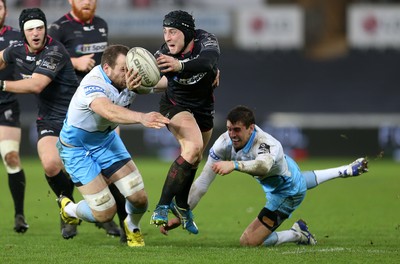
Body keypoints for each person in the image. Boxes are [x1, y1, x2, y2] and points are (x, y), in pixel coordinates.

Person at [162, 105, 369, 246]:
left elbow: (262, 167)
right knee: (296, 179)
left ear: (251, 128)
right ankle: (345, 170)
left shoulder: (267, 144)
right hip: (288, 172)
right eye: (228, 129)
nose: (231, 134)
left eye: (237, 130)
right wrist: (181, 215)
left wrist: (234, 164)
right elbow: (203, 182)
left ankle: (298, 234)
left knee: (249, 242)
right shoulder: (224, 143)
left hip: (285, 194)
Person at [56, 44, 170, 247]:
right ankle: (69, 210)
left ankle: (132, 227)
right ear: (107, 69)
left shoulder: (130, 78)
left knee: (139, 198)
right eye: (123, 70)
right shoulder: (93, 83)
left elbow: (163, 83)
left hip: (105, 140)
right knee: (104, 213)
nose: (129, 75)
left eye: (130, 69)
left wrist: (199, 79)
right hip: (76, 148)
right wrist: (142, 117)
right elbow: (107, 111)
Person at [0, 7, 81, 239]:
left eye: (40, 28)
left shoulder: (55, 50)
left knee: (104, 177)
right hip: (48, 118)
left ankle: (125, 222)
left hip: (76, 119)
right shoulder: (15, 49)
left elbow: (36, 85)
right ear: (23, 33)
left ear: (45, 29)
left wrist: (2, 85)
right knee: (50, 165)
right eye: (30, 29)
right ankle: (67, 208)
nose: (36, 33)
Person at [48, 0, 122, 238]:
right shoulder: (58, 28)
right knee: (71, 165)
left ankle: (112, 220)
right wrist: (75, 62)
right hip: (73, 107)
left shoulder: (101, 24)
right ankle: (69, 215)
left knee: (110, 163)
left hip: (103, 107)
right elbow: (46, 60)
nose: (88, 1)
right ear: (71, 1)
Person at [149, 10, 221, 235]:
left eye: (173, 32)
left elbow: (208, 62)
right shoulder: (161, 55)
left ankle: (181, 206)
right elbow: (155, 81)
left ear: (188, 33)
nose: (167, 37)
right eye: (164, 32)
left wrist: (180, 66)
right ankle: (161, 206)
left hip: (203, 109)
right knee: (192, 148)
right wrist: (140, 85)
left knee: (195, 157)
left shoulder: (205, 41)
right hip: (175, 106)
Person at [0, 0, 29, 233]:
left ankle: (19, 214)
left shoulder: (17, 38)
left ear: (5, 11)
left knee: (11, 157)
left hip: (5, 105)